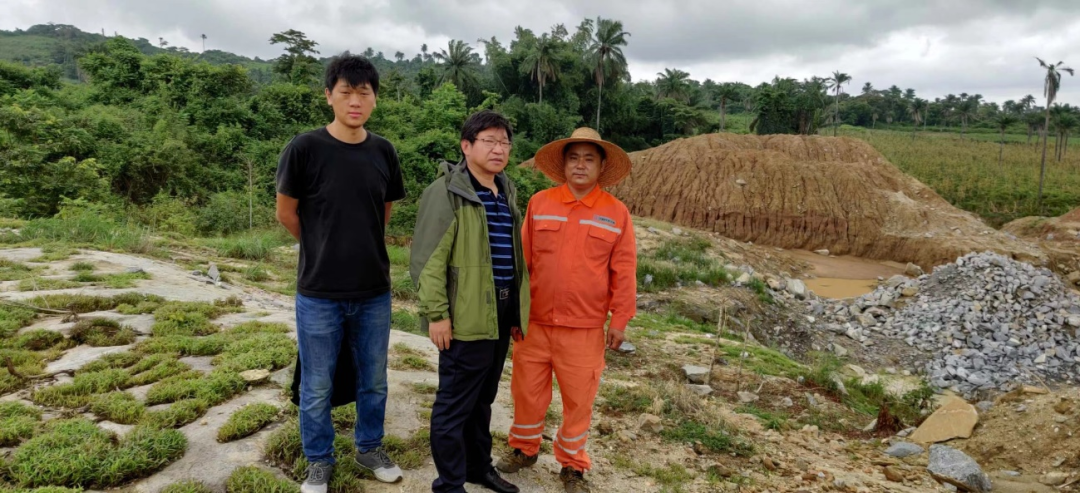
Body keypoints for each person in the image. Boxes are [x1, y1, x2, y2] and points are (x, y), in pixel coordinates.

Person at [275, 53, 406, 493]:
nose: (355, 101)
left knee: (374, 379)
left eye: (363, 93)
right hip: (318, 292)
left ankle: (369, 448)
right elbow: (286, 213)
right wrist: (321, 246)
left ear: (374, 99)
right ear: (329, 95)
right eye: (346, 92)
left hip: (373, 291)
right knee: (316, 385)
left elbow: (382, 213)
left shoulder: (384, 151)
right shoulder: (304, 148)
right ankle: (319, 460)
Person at [495, 127, 637, 493]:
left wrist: (620, 319)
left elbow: (624, 270)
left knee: (579, 401)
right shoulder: (540, 203)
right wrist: (513, 312)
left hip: (584, 329)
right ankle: (523, 449)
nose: (580, 165)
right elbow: (522, 261)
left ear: (601, 167)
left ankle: (573, 465)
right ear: (564, 164)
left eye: (589, 159)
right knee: (526, 392)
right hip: (534, 323)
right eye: (574, 158)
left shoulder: (616, 213)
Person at [410, 110, 530, 493]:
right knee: (454, 403)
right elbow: (427, 261)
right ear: (466, 146)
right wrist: (437, 315)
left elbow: (511, 257)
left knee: (483, 399)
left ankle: (478, 468)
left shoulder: (505, 190)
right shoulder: (447, 192)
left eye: (504, 142)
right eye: (489, 141)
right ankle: (449, 484)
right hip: (464, 315)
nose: (499, 149)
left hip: (499, 312)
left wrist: (515, 312)